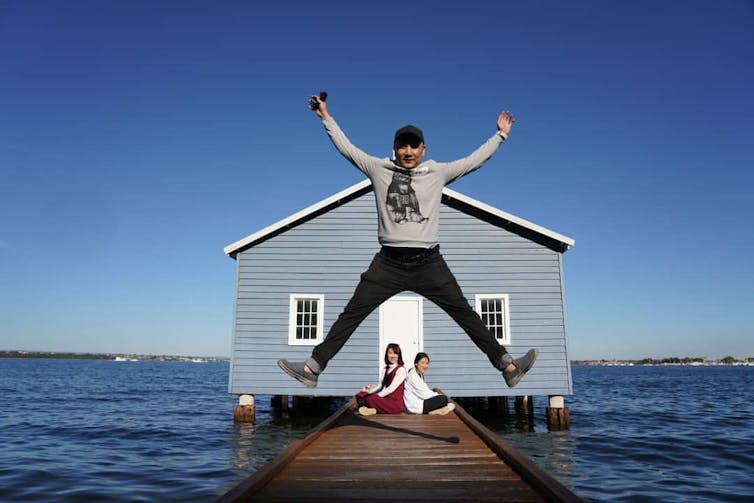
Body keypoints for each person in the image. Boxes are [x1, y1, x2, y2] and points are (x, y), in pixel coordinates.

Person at [278, 93, 539, 390]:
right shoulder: (378, 169)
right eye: (402, 145)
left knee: (465, 313)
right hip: (387, 263)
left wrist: (500, 136)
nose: (407, 150)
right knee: (351, 313)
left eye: (413, 145)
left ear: (423, 149)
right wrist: (325, 117)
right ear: (394, 149)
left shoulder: (437, 172)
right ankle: (313, 368)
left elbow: (472, 161)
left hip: (429, 263)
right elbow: (347, 149)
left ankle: (508, 366)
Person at [355, 343, 407, 416]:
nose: (393, 356)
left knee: (369, 399)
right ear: (387, 354)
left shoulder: (401, 369)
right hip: (386, 399)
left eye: (395, 353)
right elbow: (380, 386)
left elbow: (390, 389)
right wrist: (368, 392)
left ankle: (368, 407)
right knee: (362, 395)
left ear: (399, 356)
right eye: (390, 353)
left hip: (395, 404)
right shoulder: (385, 369)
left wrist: (375, 397)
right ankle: (372, 410)